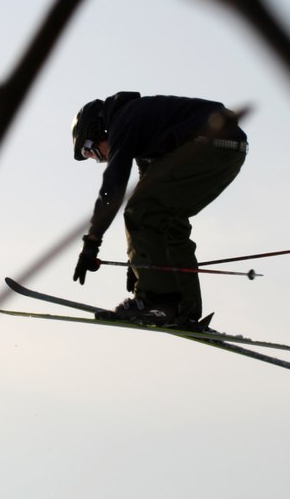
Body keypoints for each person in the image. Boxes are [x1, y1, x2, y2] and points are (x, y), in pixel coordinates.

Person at [71, 91, 248, 328]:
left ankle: (156, 302)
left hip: (206, 145)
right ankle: (184, 308)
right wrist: (139, 266)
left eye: (90, 150)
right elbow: (149, 190)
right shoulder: (140, 123)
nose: (98, 159)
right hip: (228, 150)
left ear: (98, 129)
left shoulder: (123, 120)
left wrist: (91, 243)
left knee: (141, 211)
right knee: (168, 221)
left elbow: (114, 188)